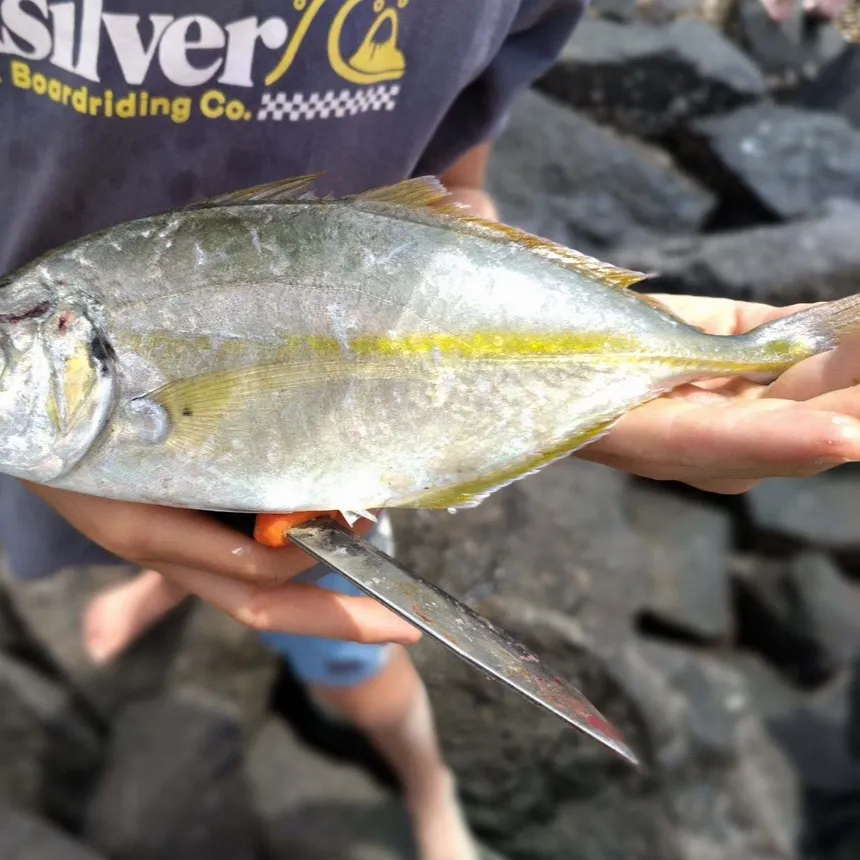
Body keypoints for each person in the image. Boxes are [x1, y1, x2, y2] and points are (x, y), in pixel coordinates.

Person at [0, 0, 855, 858]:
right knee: (186, 514)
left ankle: (427, 783)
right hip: (114, 460)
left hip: (323, 469)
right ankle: (167, 578)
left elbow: (464, 153)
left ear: (69, 341)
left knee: (339, 642)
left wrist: (479, 230)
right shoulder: (69, 354)